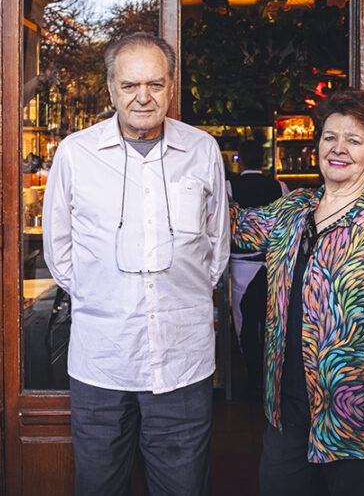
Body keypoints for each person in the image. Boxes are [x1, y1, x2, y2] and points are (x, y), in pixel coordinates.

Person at [42, 32, 230, 496]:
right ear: (111, 89)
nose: (143, 97)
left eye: (155, 84)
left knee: (183, 487)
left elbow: (216, 248)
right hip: (101, 361)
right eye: (130, 86)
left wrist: (176, 297)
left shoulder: (203, 149)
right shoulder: (75, 153)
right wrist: (107, 298)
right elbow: (59, 251)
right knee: (99, 485)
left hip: (182, 361)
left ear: (171, 87)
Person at [231, 88, 364, 496]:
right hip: (287, 414)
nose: (338, 149)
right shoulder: (293, 209)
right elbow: (231, 226)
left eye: (353, 140)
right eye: (329, 137)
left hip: (358, 422)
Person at [227, 138, 286, 395]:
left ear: (239, 160)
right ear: (263, 160)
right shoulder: (279, 186)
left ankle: (252, 378)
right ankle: (270, 378)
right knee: (272, 322)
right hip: (272, 265)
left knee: (244, 324)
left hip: (241, 264)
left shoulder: (230, 187)